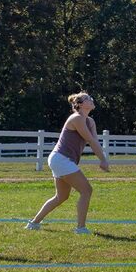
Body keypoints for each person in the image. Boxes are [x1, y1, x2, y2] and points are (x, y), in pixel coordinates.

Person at [25, 92, 109, 234]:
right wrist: (103, 160)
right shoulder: (76, 118)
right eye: (88, 99)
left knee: (61, 196)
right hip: (61, 159)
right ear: (80, 104)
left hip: (61, 160)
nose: (92, 100)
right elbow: (90, 140)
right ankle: (80, 228)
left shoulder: (90, 121)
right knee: (86, 190)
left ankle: (33, 224)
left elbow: (95, 141)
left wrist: (103, 159)